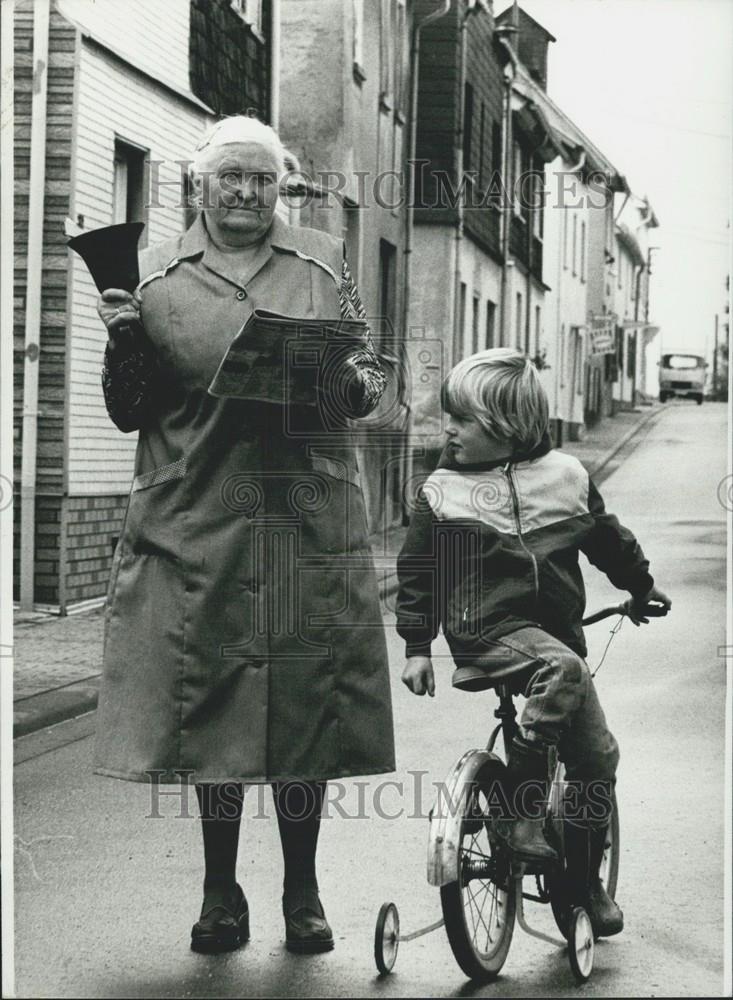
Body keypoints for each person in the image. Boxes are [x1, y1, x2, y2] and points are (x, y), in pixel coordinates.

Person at [94, 115, 395, 955]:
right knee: (214, 714)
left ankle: (303, 893)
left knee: (304, 713)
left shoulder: (324, 262)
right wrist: (122, 336)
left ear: (280, 187)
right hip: (197, 520)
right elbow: (129, 410)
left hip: (304, 518)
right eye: (230, 177)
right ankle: (220, 893)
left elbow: (369, 375)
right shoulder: (152, 277)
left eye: (262, 179)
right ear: (200, 186)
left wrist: (344, 383)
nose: (246, 193)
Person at [396, 348, 671, 937]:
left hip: (555, 647)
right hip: (487, 631)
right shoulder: (442, 491)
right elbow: (418, 571)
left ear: (509, 427)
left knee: (597, 760)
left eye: (462, 420)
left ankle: (581, 884)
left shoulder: (567, 477)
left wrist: (641, 587)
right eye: (449, 416)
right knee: (565, 670)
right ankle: (522, 815)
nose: (448, 430)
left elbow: (608, 540)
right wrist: (417, 644)